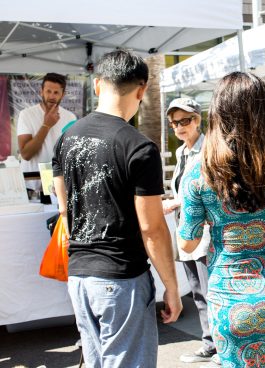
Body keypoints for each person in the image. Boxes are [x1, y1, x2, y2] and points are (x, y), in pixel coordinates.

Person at [178, 71, 265, 367]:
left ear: (216, 112)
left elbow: (188, 243)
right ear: (264, 110)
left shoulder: (200, 169)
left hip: (228, 303)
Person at [52, 50, 182, 367]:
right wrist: (172, 288)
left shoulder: (66, 138)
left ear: (97, 85)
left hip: (80, 275)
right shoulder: (138, 147)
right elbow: (151, 228)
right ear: (141, 90)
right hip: (121, 277)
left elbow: (64, 209)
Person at [162, 97, 218, 365]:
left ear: (197, 120)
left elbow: (213, 192)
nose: (179, 127)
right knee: (197, 292)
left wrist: (177, 202)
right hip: (186, 231)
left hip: (205, 233)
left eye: (185, 121)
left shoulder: (210, 150)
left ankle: (220, 345)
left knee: (210, 291)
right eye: (174, 123)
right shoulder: (182, 152)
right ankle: (210, 343)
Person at [17, 73, 76, 191]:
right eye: (48, 91)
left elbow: (71, 154)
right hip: (31, 184)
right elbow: (26, 154)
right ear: (41, 92)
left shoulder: (70, 117)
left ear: (62, 95)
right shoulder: (26, 115)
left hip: (57, 185)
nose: (51, 96)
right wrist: (46, 125)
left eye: (56, 92)